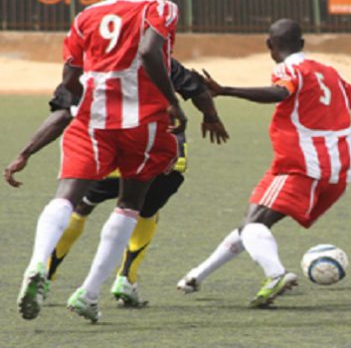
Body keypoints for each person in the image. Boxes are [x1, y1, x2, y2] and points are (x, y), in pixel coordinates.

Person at [176, 18, 351, 308]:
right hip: (338, 173)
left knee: (253, 226)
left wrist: (226, 90)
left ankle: (276, 275)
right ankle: (197, 276)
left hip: (301, 166)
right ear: (302, 43)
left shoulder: (288, 69)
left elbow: (281, 92)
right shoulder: (330, 72)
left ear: (269, 46)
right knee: (254, 224)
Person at [11, 0, 186, 323]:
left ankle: (37, 264)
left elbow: (70, 75)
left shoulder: (84, 17)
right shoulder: (161, 7)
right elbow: (150, 50)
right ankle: (89, 292)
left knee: (66, 196)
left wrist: (84, 92)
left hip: (92, 119)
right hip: (143, 123)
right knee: (129, 204)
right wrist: (173, 103)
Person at [5, 59, 228, 308]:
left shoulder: (89, 61)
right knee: (143, 210)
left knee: (81, 207)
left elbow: (63, 113)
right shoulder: (159, 58)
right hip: (165, 158)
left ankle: (46, 273)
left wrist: (25, 153)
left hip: (112, 151)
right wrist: (211, 117)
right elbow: (198, 89)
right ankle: (125, 280)